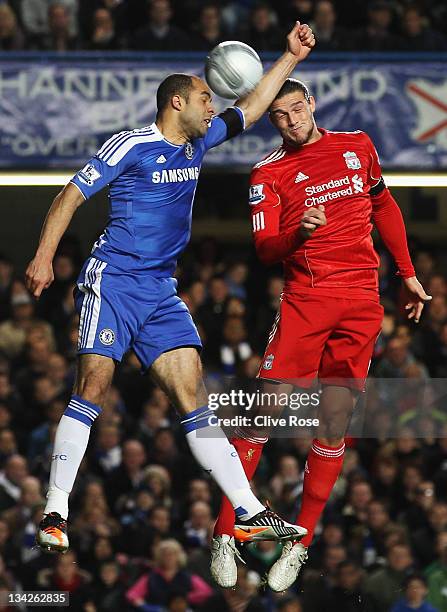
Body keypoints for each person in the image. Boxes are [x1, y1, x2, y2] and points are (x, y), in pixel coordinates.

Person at [25, 24, 316, 554]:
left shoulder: (200, 141)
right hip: (112, 280)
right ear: (176, 101)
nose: (214, 105)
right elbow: (70, 195)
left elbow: (250, 109)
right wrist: (45, 256)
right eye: (206, 97)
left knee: (194, 400)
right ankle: (55, 509)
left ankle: (248, 512)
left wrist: (289, 58)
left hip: (160, 289)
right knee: (92, 388)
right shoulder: (132, 145)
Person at [210, 77, 431, 590]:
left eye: (295, 109)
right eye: (279, 116)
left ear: (311, 103)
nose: (290, 120)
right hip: (306, 300)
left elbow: (385, 207)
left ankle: (301, 543)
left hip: (361, 302)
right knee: (263, 413)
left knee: (334, 425)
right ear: (272, 121)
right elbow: (265, 249)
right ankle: (226, 531)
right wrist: (297, 232)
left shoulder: (357, 146)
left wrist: (407, 272)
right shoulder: (268, 173)